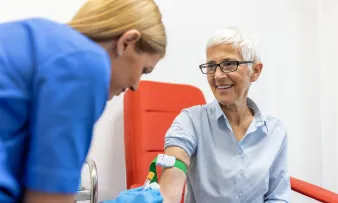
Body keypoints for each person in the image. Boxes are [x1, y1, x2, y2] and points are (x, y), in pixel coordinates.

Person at [0, 0, 166, 202]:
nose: (136, 86)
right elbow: (48, 198)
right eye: (144, 70)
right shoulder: (85, 63)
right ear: (127, 42)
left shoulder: (35, 37)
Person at [159, 27, 291, 203]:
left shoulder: (275, 130)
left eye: (229, 64)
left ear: (255, 71)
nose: (218, 75)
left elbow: (277, 197)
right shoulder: (190, 121)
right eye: (211, 66)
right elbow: (174, 168)